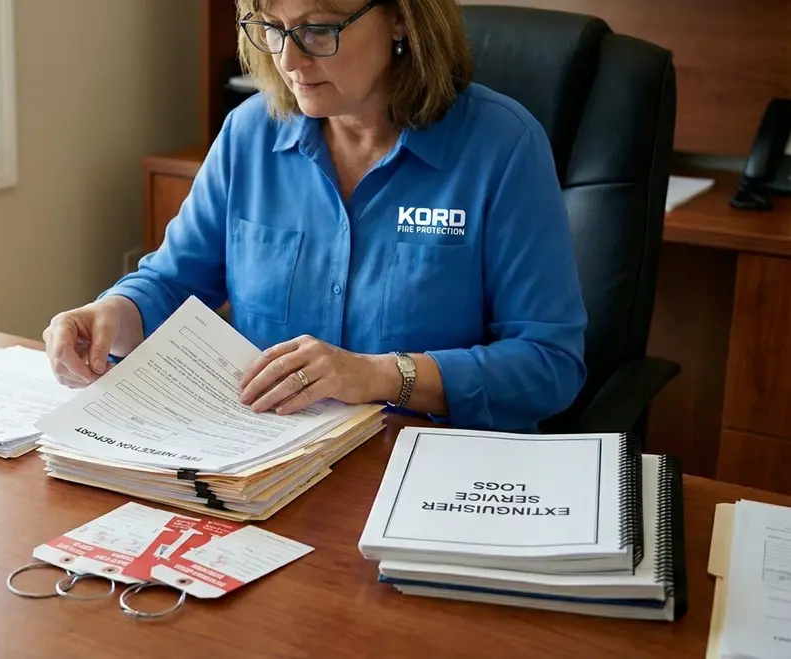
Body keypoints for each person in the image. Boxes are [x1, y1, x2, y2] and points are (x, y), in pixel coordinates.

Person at [43, 0, 587, 432]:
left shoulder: (503, 146)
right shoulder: (249, 134)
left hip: (432, 470)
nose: (289, 60)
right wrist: (112, 312)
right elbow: (171, 283)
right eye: (273, 28)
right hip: (267, 462)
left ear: (402, 17)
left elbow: (548, 364)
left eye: (318, 29)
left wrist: (377, 375)